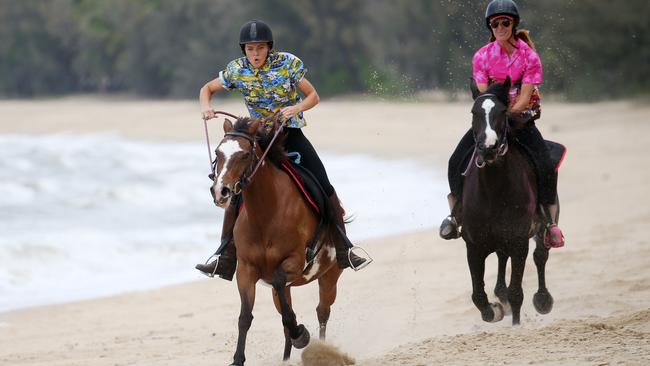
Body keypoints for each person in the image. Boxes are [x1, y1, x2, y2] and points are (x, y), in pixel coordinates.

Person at [195, 20, 370, 280]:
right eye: (250, 48)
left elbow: (313, 96)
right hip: (258, 139)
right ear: (244, 50)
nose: (255, 53)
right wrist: (206, 106)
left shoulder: (288, 64)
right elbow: (206, 89)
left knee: (323, 183)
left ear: (269, 48)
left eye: (260, 48)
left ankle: (345, 249)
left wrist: (296, 108)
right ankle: (225, 257)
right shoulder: (236, 70)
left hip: (290, 135)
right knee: (236, 190)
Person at [439, 0, 565, 248]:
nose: (500, 26)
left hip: (521, 119)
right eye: (495, 23)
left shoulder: (530, 56)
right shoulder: (482, 56)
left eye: (505, 22)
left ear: (513, 24)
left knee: (545, 164)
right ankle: (455, 215)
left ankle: (549, 223)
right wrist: (494, 115)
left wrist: (505, 114)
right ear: (490, 26)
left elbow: (525, 96)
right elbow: (484, 93)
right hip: (491, 119)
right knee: (455, 160)